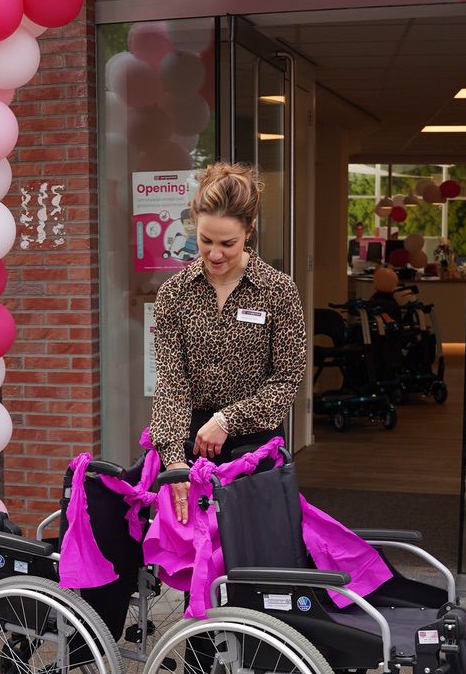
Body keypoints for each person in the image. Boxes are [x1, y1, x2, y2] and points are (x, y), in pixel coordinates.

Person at [77, 162, 308, 638]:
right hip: (187, 439)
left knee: (246, 567)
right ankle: (154, 653)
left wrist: (229, 418)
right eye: (206, 240)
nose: (215, 253)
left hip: (253, 446)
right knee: (162, 536)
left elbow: (287, 381)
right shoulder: (176, 294)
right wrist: (172, 459)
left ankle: (250, 673)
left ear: (249, 231)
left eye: (227, 242)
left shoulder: (278, 291)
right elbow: (171, 384)